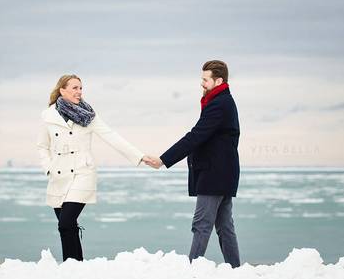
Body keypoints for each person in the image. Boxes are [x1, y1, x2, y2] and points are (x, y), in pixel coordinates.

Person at [37, 74, 151, 262]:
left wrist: (140, 156)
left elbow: (112, 136)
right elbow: (42, 146)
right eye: (75, 88)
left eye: (81, 88)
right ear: (62, 90)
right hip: (58, 176)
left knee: (65, 223)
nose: (79, 92)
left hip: (83, 173)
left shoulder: (88, 116)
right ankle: (74, 267)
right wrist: (48, 167)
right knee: (67, 226)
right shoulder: (48, 116)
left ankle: (73, 266)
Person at [144, 60, 241, 267]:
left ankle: (192, 269)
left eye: (205, 80)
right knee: (224, 226)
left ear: (219, 80)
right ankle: (235, 269)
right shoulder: (220, 101)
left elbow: (196, 136)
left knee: (201, 224)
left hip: (215, 174)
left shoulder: (219, 104)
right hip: (223, 173)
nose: (202, 84)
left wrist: (163, 159)